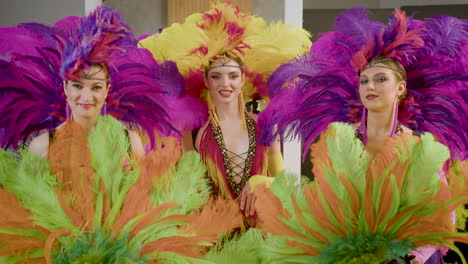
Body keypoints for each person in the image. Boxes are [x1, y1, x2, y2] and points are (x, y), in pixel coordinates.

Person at [0, 6, 241, 263]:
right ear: (65, 87)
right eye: (78, 86)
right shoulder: (43, 144)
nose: (86, 96)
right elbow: (29, 211)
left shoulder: (129, 140)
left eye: (95, 87)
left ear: (107, 90)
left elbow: (141, 203)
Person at [257, 7, 468, 263]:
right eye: (364, 81)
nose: (370, 87)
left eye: (380, 80)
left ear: (400, 87)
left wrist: (415, 256)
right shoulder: (342, 142)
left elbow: (443, 215)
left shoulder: (418, 146)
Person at [140, 2, 312, 228]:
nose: (225, 83)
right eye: (216, 76)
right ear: (206, 81)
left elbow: (282, 181)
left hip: (259, 236)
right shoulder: (194, 130)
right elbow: (189, 185)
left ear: (242, 79)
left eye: (232, 76)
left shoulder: (265, 123)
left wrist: (261, 180)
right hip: (213, 238)